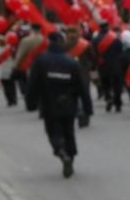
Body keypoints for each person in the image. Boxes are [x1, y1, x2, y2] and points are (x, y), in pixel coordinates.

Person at [26, 31, 89, 178]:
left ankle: (60, 151)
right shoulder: (71, 62)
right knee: (69, 132)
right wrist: (87, 108)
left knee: (53, 131)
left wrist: (31, 102)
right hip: (69, 104)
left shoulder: (41, 61)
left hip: (49, 103)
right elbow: (82, 86)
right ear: (61, 42)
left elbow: (32, 83)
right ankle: (70, 158)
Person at [63, 24, 95, 126]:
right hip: (83, 73)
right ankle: (86, 113)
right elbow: (93, 57)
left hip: (69, 74)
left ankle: (78, 111)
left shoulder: (63, 45)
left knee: (73, 96)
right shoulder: (85, 44)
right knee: (85, 94)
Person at [91, 21, 124, 113]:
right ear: (108, 27)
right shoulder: (115, 38)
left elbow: (94, 54)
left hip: (103, 65)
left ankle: (108, 98)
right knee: (117, 84)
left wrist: (94, 65)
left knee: (106, 84)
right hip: (116, 65)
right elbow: (120, 51)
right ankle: (118, 103)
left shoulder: (95, 39)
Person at [13, 23, 47, 109]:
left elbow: (20, 54)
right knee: (42, 85)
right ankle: (41, 102)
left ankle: (32, 102)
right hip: (44, 64)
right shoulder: (44, 39)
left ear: (31, 29)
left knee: (31, 84)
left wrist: (16, 66)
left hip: (30, 65)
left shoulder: (26, 40)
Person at [0, 34, 16, 107]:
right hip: (10, 68)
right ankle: (14, 99)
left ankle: (9, 100)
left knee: (5, 87)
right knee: (12, 85)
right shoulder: (9, 49)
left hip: (1, 70)